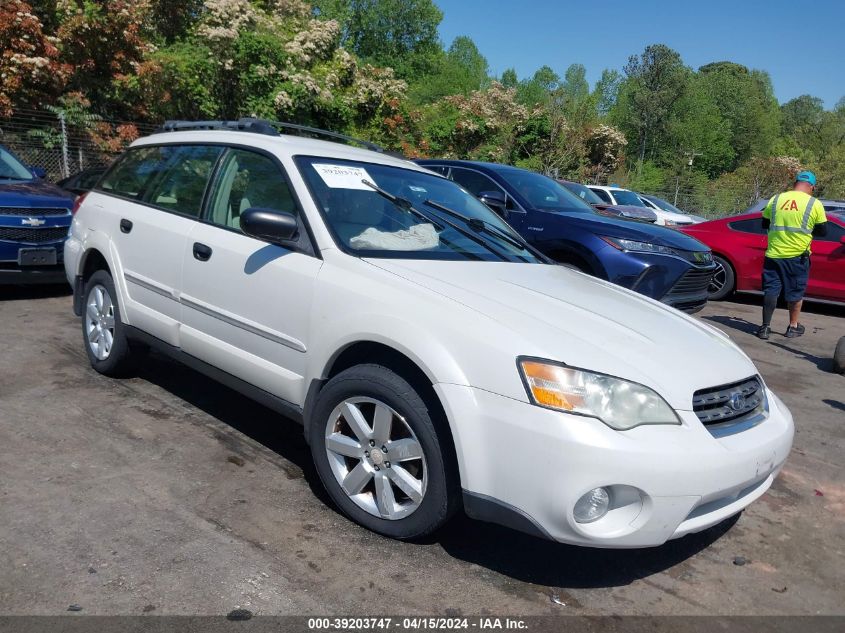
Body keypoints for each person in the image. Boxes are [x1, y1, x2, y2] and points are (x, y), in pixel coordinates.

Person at [756, 171, 828, 340]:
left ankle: (765, 328)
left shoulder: (776, 199)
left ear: (795, 183)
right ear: (811, 186)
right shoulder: (814, 203)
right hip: (797, 256)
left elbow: (764, 223)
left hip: (773, 254)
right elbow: (823, 231)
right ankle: (793, 327)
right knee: (795, 293)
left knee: (771, 291)